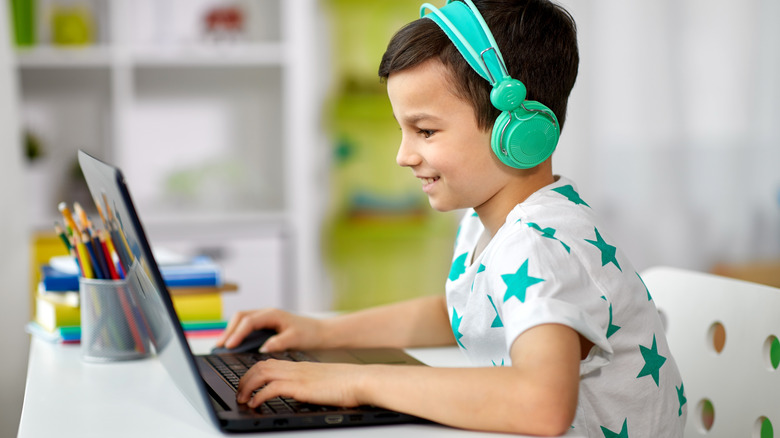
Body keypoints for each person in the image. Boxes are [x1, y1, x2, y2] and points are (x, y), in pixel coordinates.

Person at [215, 0, 687, 435]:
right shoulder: (491, 222)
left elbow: (542, 404)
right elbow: (463, 315)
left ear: (519, 133)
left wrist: (353, 382)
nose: (403, 155)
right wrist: (321, 331)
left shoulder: (540, 244)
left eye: (425, 130)